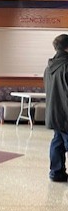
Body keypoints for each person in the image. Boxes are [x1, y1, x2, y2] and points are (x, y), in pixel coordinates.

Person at [43, 34, 68, 182]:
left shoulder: (49, 67)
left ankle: (57, 172)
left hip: (54, 112)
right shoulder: (66, 66)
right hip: (65, 112)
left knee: (57, 141)